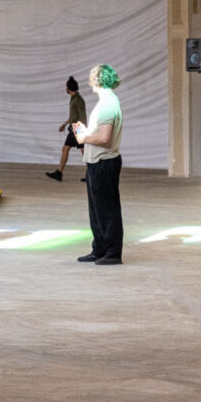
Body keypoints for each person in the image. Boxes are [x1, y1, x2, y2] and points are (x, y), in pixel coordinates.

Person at [72, 64, 125, 265]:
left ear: (97, 80)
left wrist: (83, 137)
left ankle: (112, 252)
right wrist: (86, 131)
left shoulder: (107, 104)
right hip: (98, 161)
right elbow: (101, 133)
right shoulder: (108, 102)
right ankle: (100, 248)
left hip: (104, 162)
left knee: (106, 210)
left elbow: (104, 138)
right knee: (97, 210)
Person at [46, 76, 88, 182]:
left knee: (67, 149)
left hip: (77, 128)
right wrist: (64, 124)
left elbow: (82, 115)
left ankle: (59, 173)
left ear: (69, 87)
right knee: (82, 151)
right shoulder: (74, 99)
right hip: (76, 128)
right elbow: (73, 116)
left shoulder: (78, 100)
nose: (65, 88)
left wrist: (82, 130)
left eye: (66, 86)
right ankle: (91, 174)